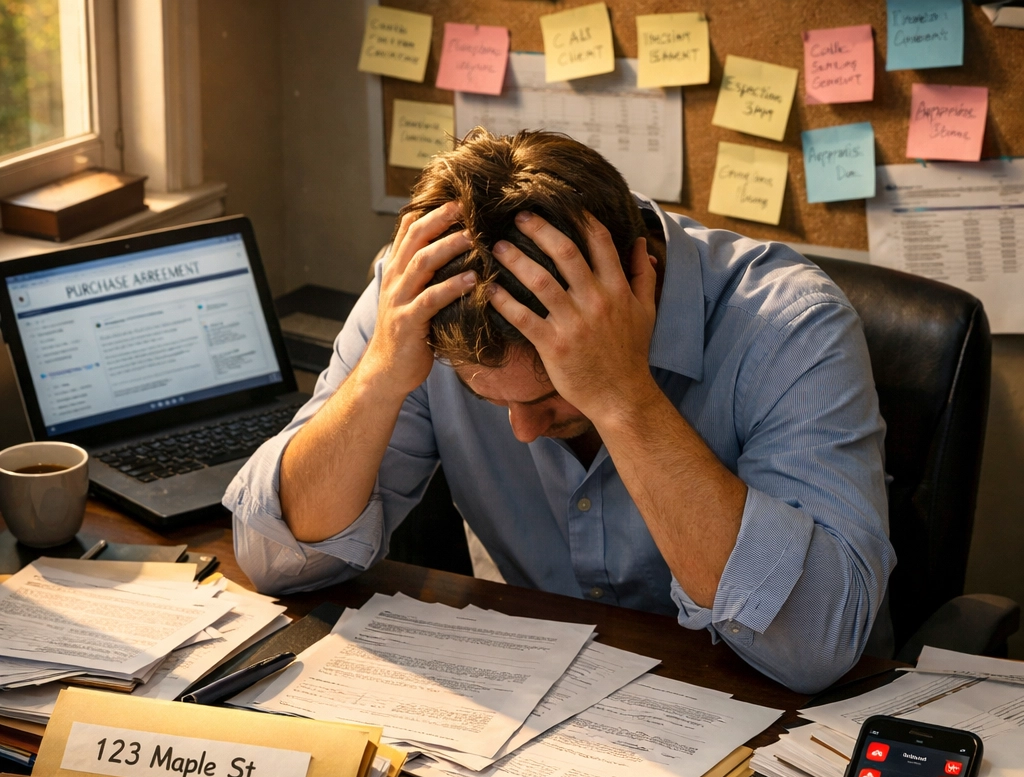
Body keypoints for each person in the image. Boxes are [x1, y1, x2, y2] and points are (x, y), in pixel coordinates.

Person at [225, 129, 895, 694]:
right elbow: (274, 560)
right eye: (491, 398)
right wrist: (376, 377)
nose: (522, 430)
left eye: (551, 397)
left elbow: (814, 645)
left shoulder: (791, 326)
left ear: (643, 281)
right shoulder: (420, 298)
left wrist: (622, 397)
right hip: (542, 701)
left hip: (760, 715)